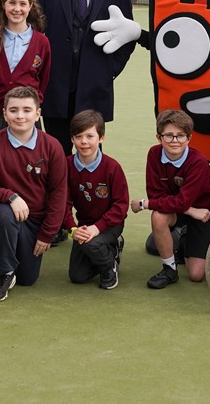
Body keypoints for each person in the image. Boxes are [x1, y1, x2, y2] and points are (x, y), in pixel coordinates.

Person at [35, 0, 136, 155]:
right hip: (55, 87)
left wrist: (109, 69)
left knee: (90, 157)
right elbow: (36, 29)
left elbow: (127, 34)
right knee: (56, 155)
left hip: (95, 88)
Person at [0, 86, 67, 302]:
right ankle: (3, 272)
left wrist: (47, 233)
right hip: (3, 212)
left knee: (27, 278)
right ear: (5, 114)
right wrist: (11, 196)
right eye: (14, 110)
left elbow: (59, 192)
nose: (20, 116)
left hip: (34, 219)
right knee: (5, 214)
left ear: (37, 114)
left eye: (27, 110)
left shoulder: (52, 147)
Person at [129, 109, 210, 289]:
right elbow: (157, 195)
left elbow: (170, 201)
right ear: (159, 137)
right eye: (169, 135)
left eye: (180, 136)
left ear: (189, 138)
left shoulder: (198, 162)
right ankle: (169, 269)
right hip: (188, 210)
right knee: (158, 216)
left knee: (196, 274)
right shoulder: (154, 154)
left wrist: (145, 204)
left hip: (203, 212)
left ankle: (184, 238)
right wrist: (190, 210)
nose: (175, 141)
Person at [63, 110, 129, 289]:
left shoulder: (112, 167)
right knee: (77, 276)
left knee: (91, 243)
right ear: (72, 139)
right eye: (79, 136)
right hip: (84, 225)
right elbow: (63, 204)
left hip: (110, 224)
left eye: (90, 136)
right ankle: (108, 250)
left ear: (101, 138)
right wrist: (73, 229)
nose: (84, 142)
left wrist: (97, 228)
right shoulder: (66, 166)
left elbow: (120, 207)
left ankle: (109, 265)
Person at [0, 0, 50, 140]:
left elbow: (43, 80)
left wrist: (31, 106)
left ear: (30, 6)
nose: (17, 9)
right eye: (12, 3)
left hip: (27, 119)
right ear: (4, 4)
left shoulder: (41, 42)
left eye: (22, 4)